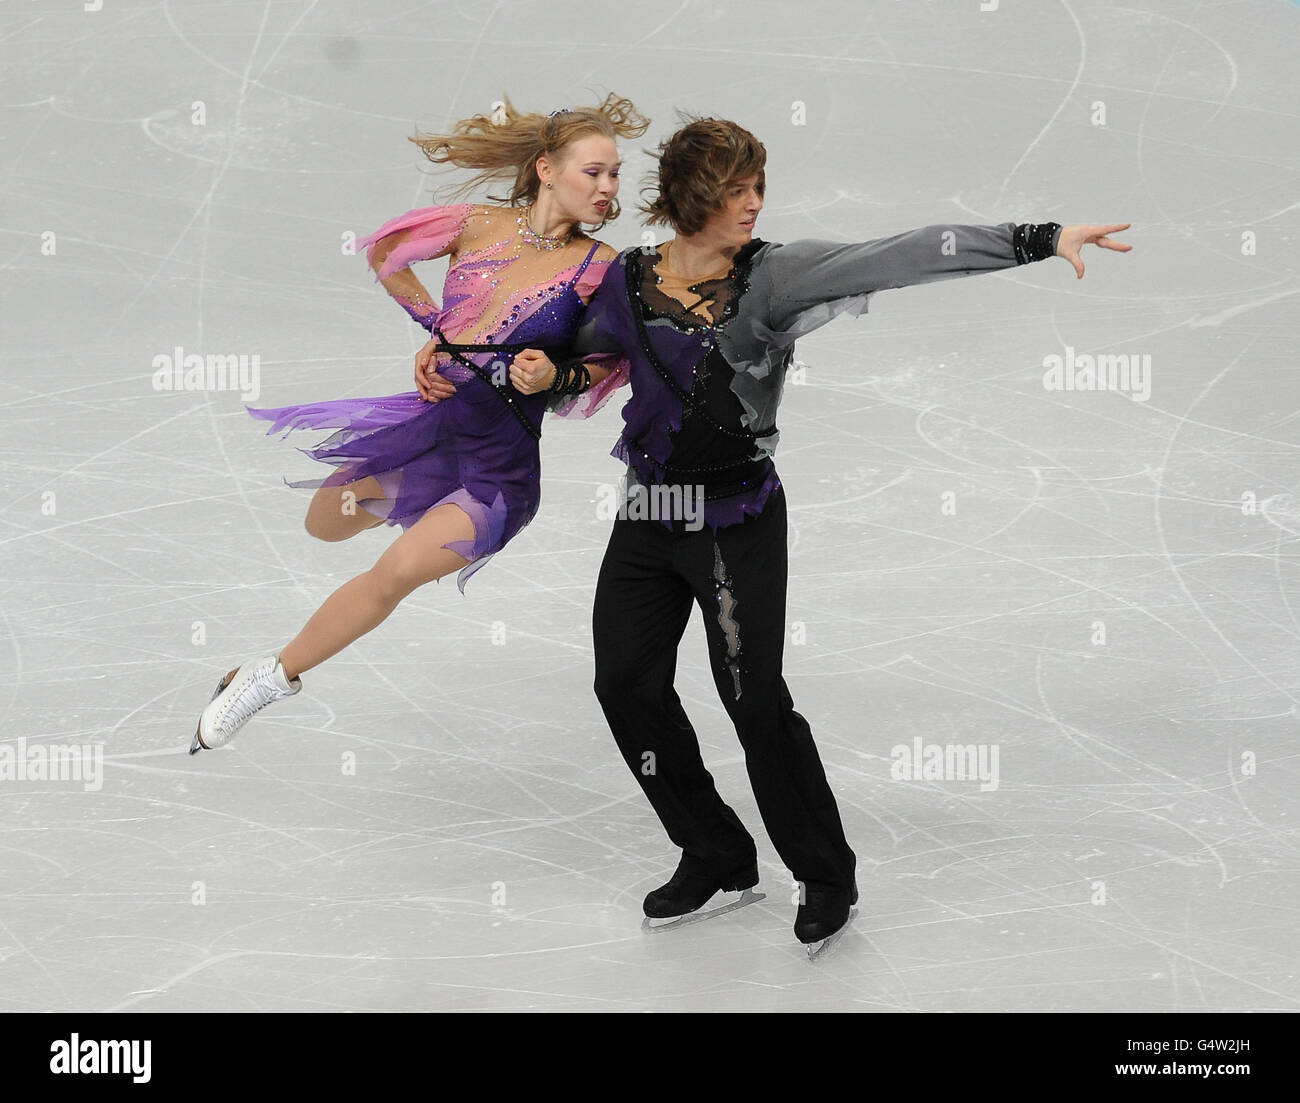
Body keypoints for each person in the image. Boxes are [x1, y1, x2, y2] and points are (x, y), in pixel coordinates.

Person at [484, 115, 1132, 952]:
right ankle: (715, 849)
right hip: (649, 515)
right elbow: (586, 355)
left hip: (737, 521)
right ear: (690, 197)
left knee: (754, 701)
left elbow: (901, 254)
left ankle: (825, 873)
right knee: (625, 686)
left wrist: (1040, 238)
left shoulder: (774, 276)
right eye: (735, 190)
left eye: (759, 186)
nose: (754, 203)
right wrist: (542, 370)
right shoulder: (628, 278)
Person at [188, 95, 647, 755]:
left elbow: (618, 360)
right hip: (432, 430)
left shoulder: (597, 268)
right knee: (326, 520)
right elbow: (388, 254)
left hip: (499, 472)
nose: (608, 188)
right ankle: (422, 497)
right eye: (594, 172)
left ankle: (270, 675)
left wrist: (555, 376)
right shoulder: (479, 225)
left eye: (614, 174)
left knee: (393, 571)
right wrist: (436, 330)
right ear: (546, 168)